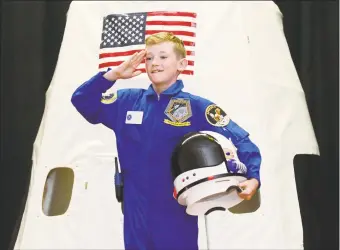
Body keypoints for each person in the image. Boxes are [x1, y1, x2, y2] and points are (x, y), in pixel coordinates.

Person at [71, 32, 261, 250]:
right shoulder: (127, 102)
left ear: (182, 64)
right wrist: (113, 74)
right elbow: (82, 100)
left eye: (163, 57)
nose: (155, 63)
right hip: (136, 215)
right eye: (149, 58)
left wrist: (253, 177)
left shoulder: (197, 108)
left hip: (176, 216)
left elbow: (242, 140)